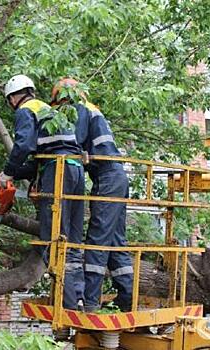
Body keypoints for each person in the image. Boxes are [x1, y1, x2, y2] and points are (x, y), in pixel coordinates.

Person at [0, 74, 85, 309]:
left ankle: (66, 305)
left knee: (53, 235)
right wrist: (13, 174)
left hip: (57, 171)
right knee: (73, 239)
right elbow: (36, 162)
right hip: (75, 170)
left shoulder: (25, 110)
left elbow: (23, 145)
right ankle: (78, 297)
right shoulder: (48, 110)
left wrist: (6, 173)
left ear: (14, 97)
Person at [50, 77, 134, 312]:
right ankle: (127, 297)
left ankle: (90, 302)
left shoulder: (80, 109)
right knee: (116, 240)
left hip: (108, 178)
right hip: (116, 177)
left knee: (97, 240)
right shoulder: (91, 108)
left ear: (64, 97)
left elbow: (72, 144)